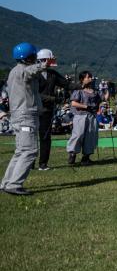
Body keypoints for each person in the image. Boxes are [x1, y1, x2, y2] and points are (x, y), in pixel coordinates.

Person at [1, 43, 45, 195]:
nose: (36, 58)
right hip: (26, 116)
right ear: (28, 57)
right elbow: (30, 71)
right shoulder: (22, 71)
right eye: (34, 56)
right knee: (29, 150)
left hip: (19, 115)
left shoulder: (14, 71)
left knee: (20, 151)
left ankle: (6, 183)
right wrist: (44, 65)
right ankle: (14, 184)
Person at [35, 49, 75, 170]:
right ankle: (29, 163)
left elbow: (67, 84)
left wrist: (82, 86)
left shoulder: (52, 73)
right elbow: (35, 94)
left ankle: (43, 163)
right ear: (44, 60)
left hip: (47, 110)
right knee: (31, 137)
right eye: (50, 59)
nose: (52, 61)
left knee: (45, 137)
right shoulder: (33, 74)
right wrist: (53, 99)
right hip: (33, 109)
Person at [66, 70, 107, 165]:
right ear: (82, 79)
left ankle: (86, 158)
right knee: (78, 134)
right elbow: (73, 103)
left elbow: (104, 98)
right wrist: (86, 106)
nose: (90, 78)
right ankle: (72, 153)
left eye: (90, 77)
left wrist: (107, 88)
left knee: (91, 136)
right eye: (88, 77)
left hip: (92, 116)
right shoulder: (79, 90)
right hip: (80, 115)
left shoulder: (95, 91)